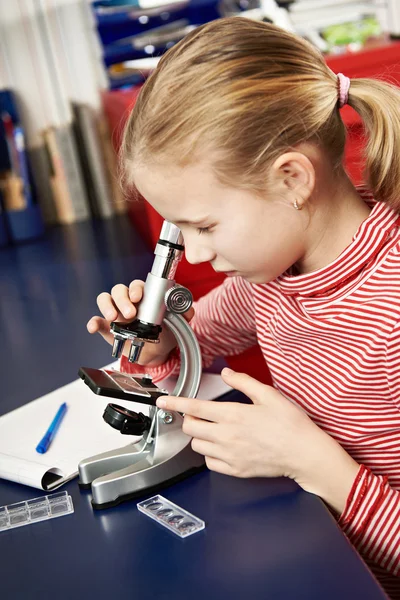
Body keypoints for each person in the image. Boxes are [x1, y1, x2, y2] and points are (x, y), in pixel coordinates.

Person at [87, 17, 400, 597]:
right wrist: (157, 343)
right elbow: (194, 342)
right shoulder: (274, 275)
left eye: (204, 226)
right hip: (314, 560)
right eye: (180, 232)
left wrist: (313, 460)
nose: (198, 255)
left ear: (291, 179)